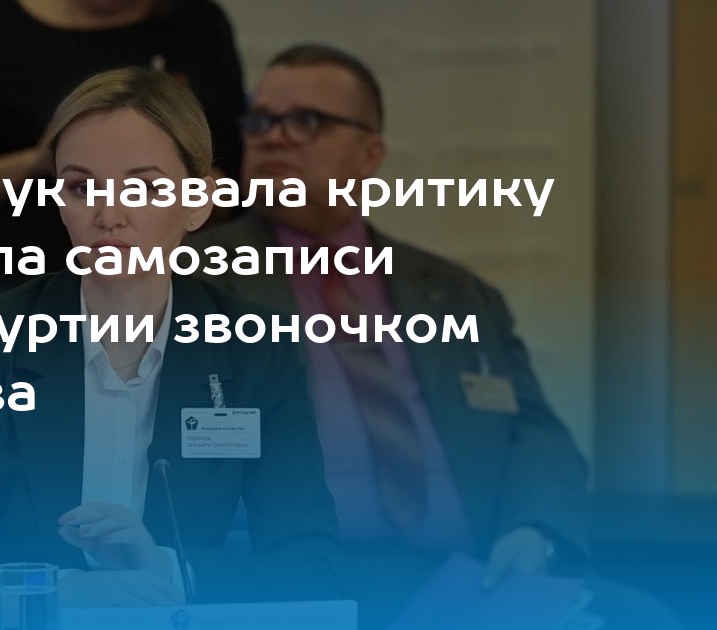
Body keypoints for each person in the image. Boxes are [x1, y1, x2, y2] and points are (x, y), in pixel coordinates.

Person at [189, 44, 683, 629]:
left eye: (305, 122)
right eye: (260, 121)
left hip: (474, 574)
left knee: (647, 618)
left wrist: (535, 532)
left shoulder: (456, 290)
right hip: (306, 575)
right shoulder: (195, 277)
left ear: (370, 153)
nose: (273, 138)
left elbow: (536, 433)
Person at [0, 67, 343, 629]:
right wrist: (62, 594)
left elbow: (314, 570)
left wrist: (170, 570)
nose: (108, 215)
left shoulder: (255, 348)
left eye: (142, 187)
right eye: (80, 187)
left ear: (199, 201)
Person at [0, 0, 247, 282]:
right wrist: (37, 160)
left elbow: (229, 179)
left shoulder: (197, 24)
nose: (108, 216)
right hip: (6, 268)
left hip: (160, 277)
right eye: (82, 188)